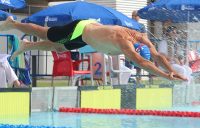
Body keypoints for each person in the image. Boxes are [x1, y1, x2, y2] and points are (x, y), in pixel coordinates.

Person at [0, 17, 189, 82]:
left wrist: (171, 70)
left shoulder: (142, 39)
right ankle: (13, 23)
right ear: (135, 50)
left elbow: (156, 56)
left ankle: (26, 46)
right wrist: (165, 76)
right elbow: (144, 62)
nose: (131, 58)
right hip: (80, 29)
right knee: (44, 33)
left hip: (86, 36)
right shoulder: (124, 43)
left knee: (55, 46)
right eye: (133, 56)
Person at [132, 10, 147, 84]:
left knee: (140, 66)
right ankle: (128, 80)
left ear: (139, 17)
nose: (134, 17)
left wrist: (137, 37)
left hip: (139, 47)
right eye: (133, 15)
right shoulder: (129, 25)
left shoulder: (141, 26)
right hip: (131, 47)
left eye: (135, 16)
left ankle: (139, 82)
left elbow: (144, 36)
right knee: (129, 66)